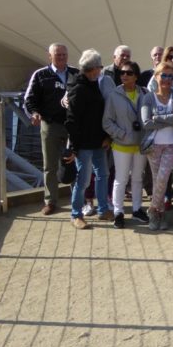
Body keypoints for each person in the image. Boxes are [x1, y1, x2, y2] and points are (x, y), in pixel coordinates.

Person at [24, 43, 79, 215]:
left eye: (64, 54)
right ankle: (50, 201)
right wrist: (34, 113)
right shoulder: (41, 75)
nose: (61, 57)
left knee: (75, 162)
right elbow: (29, 99)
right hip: (50, 124)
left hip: (72, 125)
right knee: (50, 165)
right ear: (50, 56)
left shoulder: (76, 73)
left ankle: (78, 200)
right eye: (58, 55)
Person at [65, 49, 110, 229]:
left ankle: (103, 210)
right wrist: (75, 148)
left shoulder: (92, 85)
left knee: (102, 175)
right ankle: (76, 214)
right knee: (83, 180)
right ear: (92, 68)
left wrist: (105, 137)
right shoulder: (78, 89)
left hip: (98, 141)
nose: (100, 70)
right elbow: (72, 120)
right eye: (99, 67)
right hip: (84, 144)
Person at [102, 61, 149, 229]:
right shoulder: (114, 95)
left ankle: (137, 209)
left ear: (136, 76)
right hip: (122, 144)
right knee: (120, 180)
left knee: (137, 178)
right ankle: (118, 211)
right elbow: (107, 122)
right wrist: (121, 134)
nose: (124, 76)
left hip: (140, 144)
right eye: (122, 73)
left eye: (129, 73)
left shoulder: (145, 93)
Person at [140, 62, 173, 231]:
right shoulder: (148, 97)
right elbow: (146, 123)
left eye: (170, 76)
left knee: (163, 178)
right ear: (156, 77)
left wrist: (158, 119)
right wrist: (167, 119)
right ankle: (160, 213)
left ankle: (151, 209)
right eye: (163, 75)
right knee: (158, 180)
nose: (167, 79)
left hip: (172, 145)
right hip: (153, 145)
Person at [149, 45, 173, 210]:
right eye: (170, 56)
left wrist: (159, 118)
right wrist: (168, 119)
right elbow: (148, 115)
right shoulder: (153, 81)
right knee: (160, 174)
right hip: (155, 139)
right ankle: (162, 203)